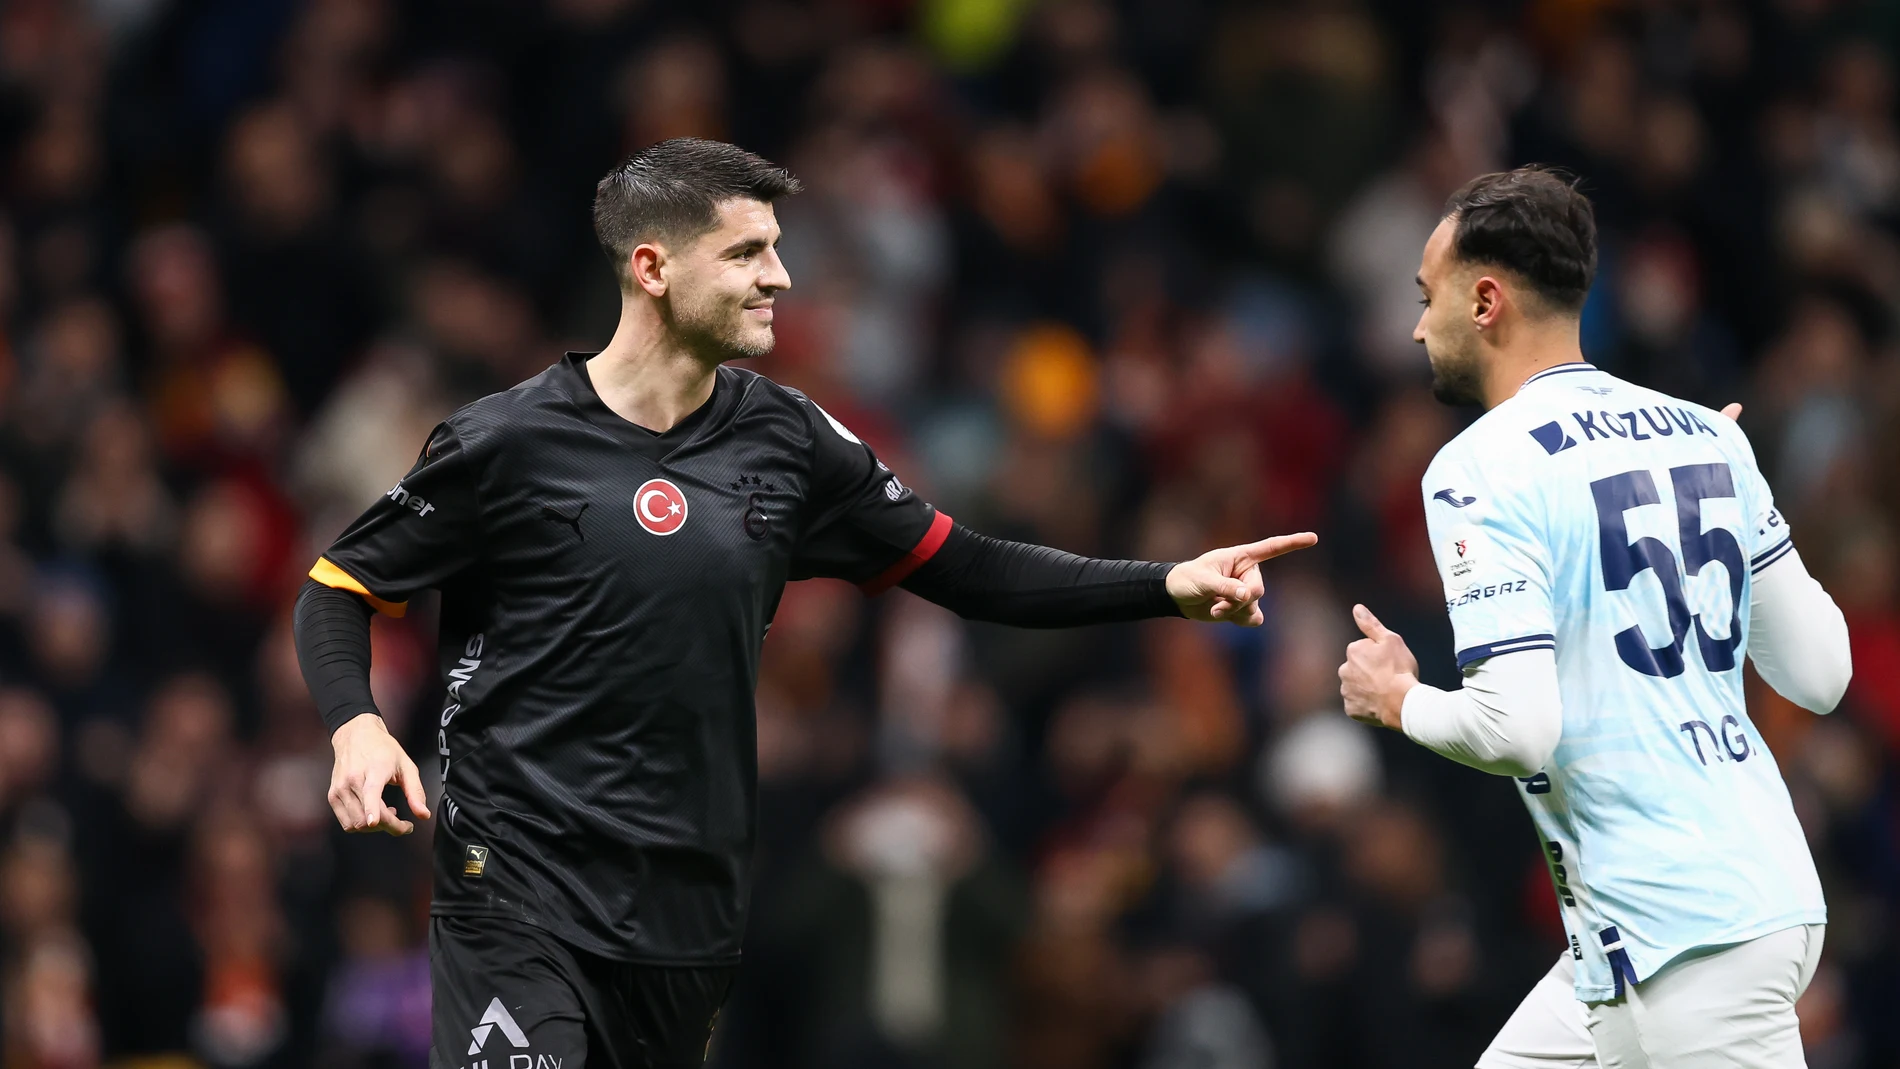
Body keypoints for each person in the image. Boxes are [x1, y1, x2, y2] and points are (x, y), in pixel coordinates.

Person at [292, 138, 1316, 1069]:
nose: (779, 277)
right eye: (745, 254)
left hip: (685, 908)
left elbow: (969, 568)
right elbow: (338, 589)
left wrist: (1165, 586)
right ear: (652, 268)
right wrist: (356, 725)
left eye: (775, 249)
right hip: (512, 884)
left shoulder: (789, 444)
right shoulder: (503, 443)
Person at [1336, 166, 1852, 1068]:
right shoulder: (1708, 434)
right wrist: (1737, 502)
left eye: (1428, 297)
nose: (1419, 324)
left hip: (1680, 940)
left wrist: (1399, 698)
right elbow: (1821, 671)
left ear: (1486, 299)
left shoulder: (1478, 466)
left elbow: (1517, 729)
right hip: (1720, 906)